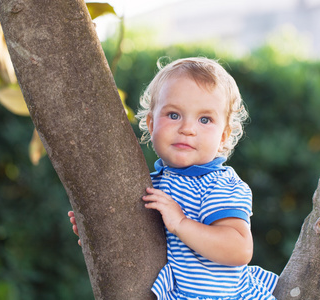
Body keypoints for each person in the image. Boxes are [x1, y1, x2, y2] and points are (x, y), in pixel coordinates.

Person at [69, 57, 278, 299]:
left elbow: (239, 249)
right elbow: (134, 240)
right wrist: (96, 232)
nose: (188, 128)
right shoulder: (150, 184)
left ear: (224, 135)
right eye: (174, 115)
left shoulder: (220, 185)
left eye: (204, 119)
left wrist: (180, 223)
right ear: (151, 122)